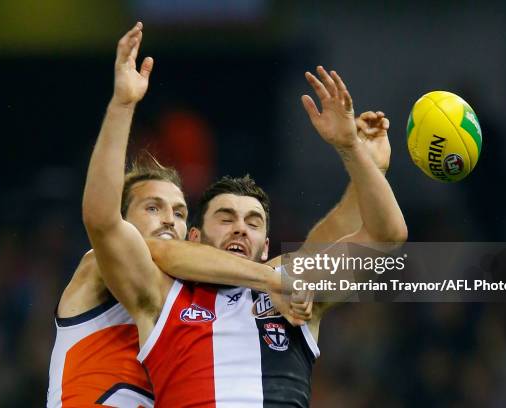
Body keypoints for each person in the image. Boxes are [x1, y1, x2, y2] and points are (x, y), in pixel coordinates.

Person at [83, 22, 407, 407]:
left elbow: (387, 238)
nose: (240, 228)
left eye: (253, 222)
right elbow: (104, 222)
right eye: (225, 217)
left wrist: (352, 149)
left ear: (266, 245)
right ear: (195, 237)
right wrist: (122, 105)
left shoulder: (297, 283)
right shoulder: (162, 292)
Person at [47, 23, 310, 408]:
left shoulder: (182, 299)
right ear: (125, 217)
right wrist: (122, 106)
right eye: (153, 207)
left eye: (180, 211)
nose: (169, 219)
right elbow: (101, 218)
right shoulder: (99, 263)